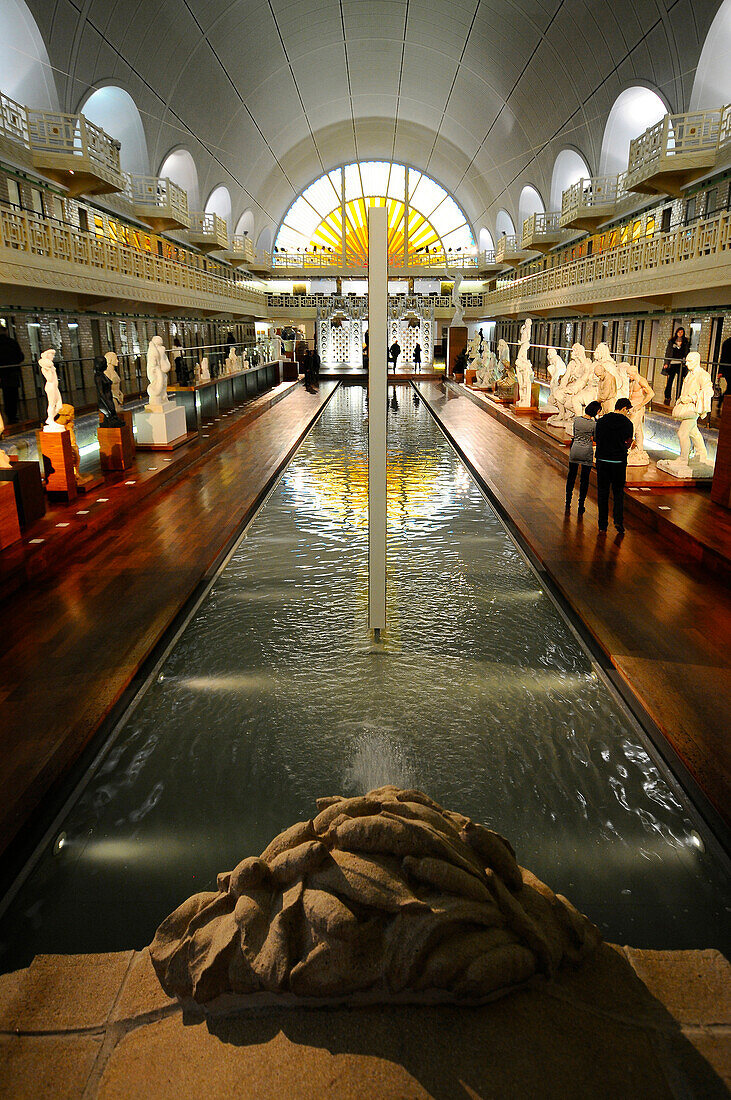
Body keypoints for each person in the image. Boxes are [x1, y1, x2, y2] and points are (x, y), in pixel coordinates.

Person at [594, 397, 634, 535]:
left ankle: (602, 525)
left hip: (603, 460)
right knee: (618, 493)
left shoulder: (602, 421)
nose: (628, 413)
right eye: (628, 410)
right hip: (618, 462)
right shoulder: (627, 423)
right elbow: (628, 442)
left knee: (603, 493)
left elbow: (596, 438)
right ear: (624, 408)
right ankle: (618, 521)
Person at [565, 400, 601, 516]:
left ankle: (568, 501)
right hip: (586, 452)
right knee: (584, 480)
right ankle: (581, 505)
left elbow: (575, 433)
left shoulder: (577, 420)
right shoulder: (594, 424)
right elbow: (595, 438)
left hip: (575, 450)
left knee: (571, 476)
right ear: (596, 411)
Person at [0, 329, 23, 423]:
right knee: (13, 395)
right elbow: (21, 357)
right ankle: (13, 416)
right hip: (13, 372)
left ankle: (7, 415)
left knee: (6, 395)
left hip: (2, 373)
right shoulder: (12, 342)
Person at [662, 326, 690, 405]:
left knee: (680, 381)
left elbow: (687, 352)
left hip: (681, 364)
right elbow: (668, 352)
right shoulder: (672, 341)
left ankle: (678, 396)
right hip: (673, 363)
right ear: (676, 333)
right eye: (679, 332)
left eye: (682, 332)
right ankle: (667, 396)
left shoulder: (685, 342)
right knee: (670, 380)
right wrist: (666, 363)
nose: (680, 334)